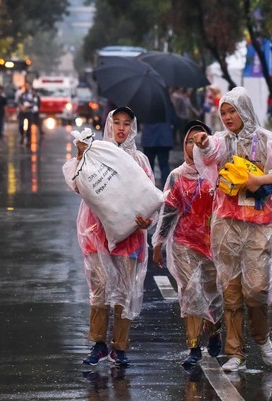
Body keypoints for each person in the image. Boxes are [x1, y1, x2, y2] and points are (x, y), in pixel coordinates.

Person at [192, 87, 272, 372]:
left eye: (232, 111)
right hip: (227, 223)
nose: (227, 117)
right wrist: (202, 144)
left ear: (245, 111)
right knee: (231, 290)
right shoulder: (222, 141)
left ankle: (262, 338)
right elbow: (210, 152)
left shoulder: (266, 140)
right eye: (223, 112)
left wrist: (262, 178)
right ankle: (235, 352)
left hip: (259, 225)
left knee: (257, 289)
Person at [63, 106, 154, 368]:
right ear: (109, 125)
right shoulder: (94, 155)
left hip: (129, 237)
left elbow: (149, 197)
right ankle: (98, 344)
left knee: (124, 292)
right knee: (100, 290)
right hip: (96, 234)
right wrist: (81, 155)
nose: (122, 128)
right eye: (117, 122)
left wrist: (147, 221)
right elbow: (76, 184)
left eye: (127, 123)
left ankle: (120, 347)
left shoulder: (139, 161)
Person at [151, 120, 223, 368]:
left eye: (198, 140)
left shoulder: (218, 173)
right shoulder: (176, 176)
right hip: (183, 243)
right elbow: (169, 211)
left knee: (215, 295)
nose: (193, 146)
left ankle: (214, 332)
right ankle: (193, 346)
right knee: (191, 293)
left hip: (214, 244)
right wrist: (159, 243)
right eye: (188, 141)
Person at [142, 119, 175, 188]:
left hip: (149, 138)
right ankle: (166, 189)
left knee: (148, 166)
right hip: (164, 137)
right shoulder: (166, 108)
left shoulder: (146, 109)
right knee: (164, 165)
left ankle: (149, 188)